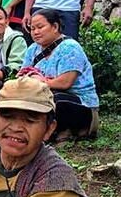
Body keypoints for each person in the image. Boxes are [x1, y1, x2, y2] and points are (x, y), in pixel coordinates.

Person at [21, 9, 99, 144]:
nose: (35, 32)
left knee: (54, 99)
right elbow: (23, 75)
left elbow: (65, 83)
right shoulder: (32, 49)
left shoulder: (70, 47)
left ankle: (71, 129)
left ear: (55, 27)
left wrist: (41, 82)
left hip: (79, 104)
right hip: (45, 95)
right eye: (32, 29)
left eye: (40, 27)